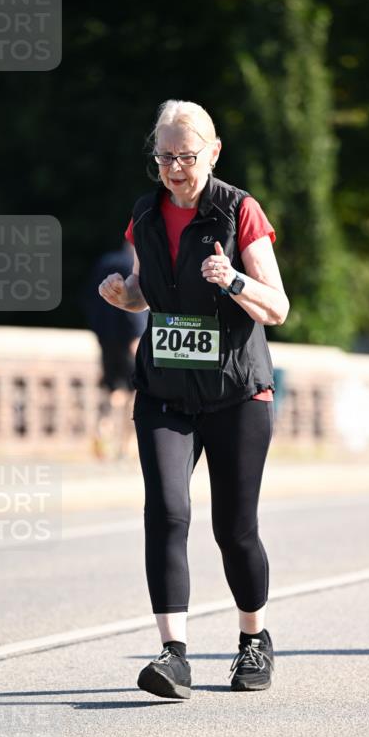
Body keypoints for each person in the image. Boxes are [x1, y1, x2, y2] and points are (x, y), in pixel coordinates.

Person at [98, 99, 289, 699]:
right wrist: (120, 293)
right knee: (167, 512)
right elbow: (144, 291)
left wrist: (231, 278)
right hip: (165, 390)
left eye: (186, 155)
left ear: (213, 151)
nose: (175, 169)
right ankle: (173, 654)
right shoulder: (145, 215)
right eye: (164, 158)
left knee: (234, 529)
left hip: (236, 392)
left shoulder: (239, 212)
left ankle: (253, 640)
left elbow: (278, 307)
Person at [83, 241, 149, 459]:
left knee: (113, 388)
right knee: (133, 392)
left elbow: (93, 298)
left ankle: (103, 428)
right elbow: (134, 304)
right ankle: (124, 446)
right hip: (128, 336)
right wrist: (137, 335)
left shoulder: (105, 261)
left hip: (106, 336)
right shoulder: (133, 265)